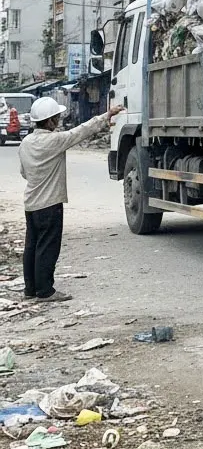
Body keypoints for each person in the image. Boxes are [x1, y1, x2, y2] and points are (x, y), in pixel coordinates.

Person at [18, 97, 123, 303]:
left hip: (31, 203)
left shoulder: (26, 142)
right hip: (50, 204)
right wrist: (107, 115)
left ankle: (30, 289)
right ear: (49, 122)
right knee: (48, 247)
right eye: (56, 118)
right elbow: (81, 131)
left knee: (32, 246)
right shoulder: (54, 141)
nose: (58, 121)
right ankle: (45, 291)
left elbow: (24, 173)